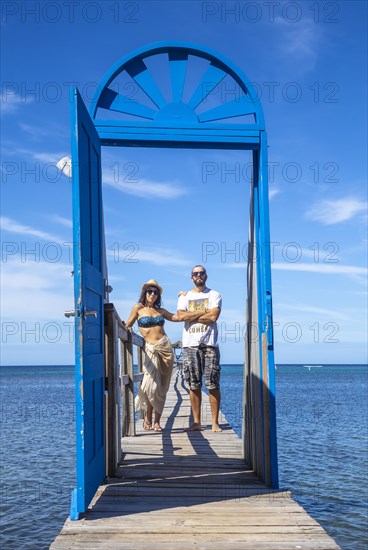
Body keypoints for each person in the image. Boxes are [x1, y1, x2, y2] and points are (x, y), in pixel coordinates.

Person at [125, 279, 204, 432]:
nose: (152, 294)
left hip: (165, 348)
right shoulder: (138, 308)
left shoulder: (160, 311)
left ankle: (156, 422)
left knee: (162, 387)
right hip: (150, 350)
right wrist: (124, 329)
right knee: (150, 386)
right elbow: (128, 324)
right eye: (150, 291)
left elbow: (177, 317)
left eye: (155, 292)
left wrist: (184, 298)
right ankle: (147, 416)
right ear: (144, 293)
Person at [177, 266, 222, 432]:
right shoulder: (185, 296)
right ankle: (197, 422)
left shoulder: (214, 294)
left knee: (213, 384)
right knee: (194, 385)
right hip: (190, 345)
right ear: (191, 277)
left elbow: (213, 316)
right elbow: (181, 316)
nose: (198, 276)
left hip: (210, 344)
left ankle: (215, 422)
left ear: (206, 276)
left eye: (201, 273)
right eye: (195, 273)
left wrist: (192, 314)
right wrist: (203, 311)